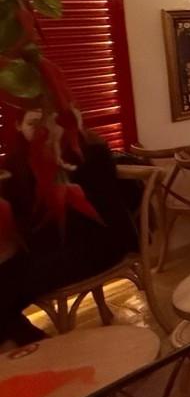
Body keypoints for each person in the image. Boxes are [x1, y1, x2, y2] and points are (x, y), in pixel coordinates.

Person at [0, 109, 140, 346]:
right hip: (49, 248)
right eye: (33, 124)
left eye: (47, 123)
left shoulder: (87, 150)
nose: (42, 131)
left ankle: (41, 350)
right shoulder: (16, 163)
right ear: (17, 126)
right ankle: (34, 346)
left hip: (98, 242)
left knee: (6, 288)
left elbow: (101, 213)